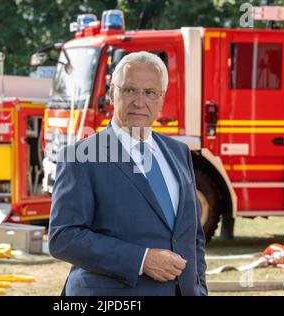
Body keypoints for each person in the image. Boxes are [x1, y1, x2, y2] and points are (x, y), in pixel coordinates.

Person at [48, 51, 207, 296]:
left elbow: (193, 235)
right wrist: (141, 260)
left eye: (150, 93)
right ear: (113, 93)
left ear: (162, 99)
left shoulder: (179, 152)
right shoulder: (81, 156)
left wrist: (199, 289)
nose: (139, 102)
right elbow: (63, 238)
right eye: (130, 90)